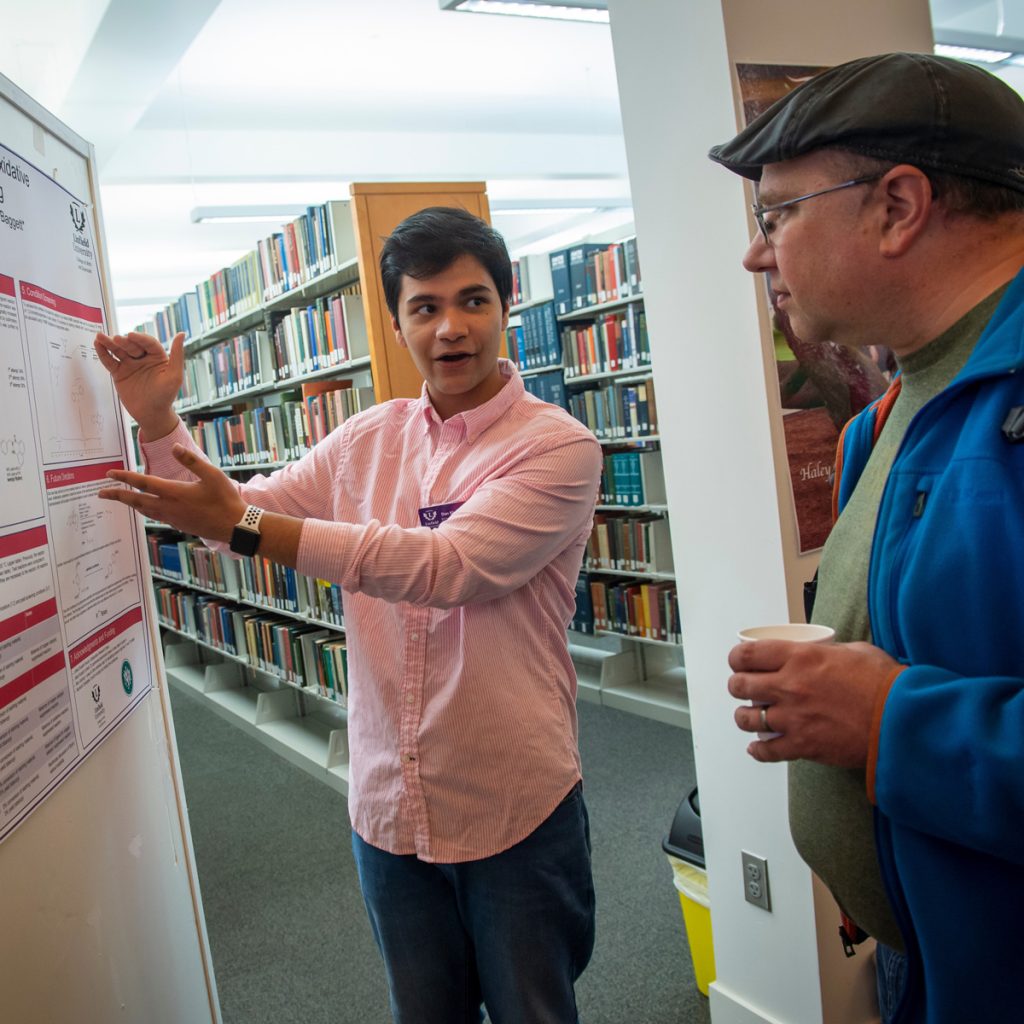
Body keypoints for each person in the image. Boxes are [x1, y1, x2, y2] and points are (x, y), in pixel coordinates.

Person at [94, 206, 601, 1024]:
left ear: (507, 303)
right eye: (424, 307)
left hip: (512, 806)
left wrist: (250, 527)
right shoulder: (366, 438)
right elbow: (242, 518)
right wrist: (158, 421)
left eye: (473, 300)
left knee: (534, 1013)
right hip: (387, 809)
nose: (451, 328)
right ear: (397, 322)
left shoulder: (558, 447)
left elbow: (448, 567)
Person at [712, 52, 1024, 1024]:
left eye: (775, 216)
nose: (755, 255)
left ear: (896, 205)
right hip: (927, 953)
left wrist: (890, 721)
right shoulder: (885, 420)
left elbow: (898, 704)